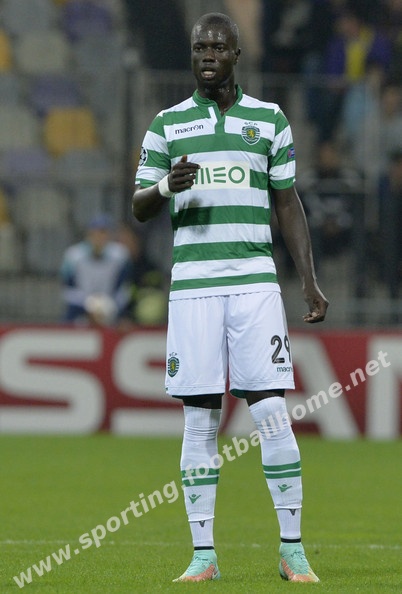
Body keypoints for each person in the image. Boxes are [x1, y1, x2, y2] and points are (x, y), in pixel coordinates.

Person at [132, 12, 328, 583]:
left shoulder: (268, 120)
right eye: (200, 47)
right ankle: (203, 556)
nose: (208, 55)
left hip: (254, 282)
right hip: (194, 287)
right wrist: (166, 185)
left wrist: (308, 278)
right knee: (200, 420)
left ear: (237, 54)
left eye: (218, 47)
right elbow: (139, 205)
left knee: (270, 411)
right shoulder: (167, 124)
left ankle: (292, 550)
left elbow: (287, 202)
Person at [60, 213, 132, 327]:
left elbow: (123, 288)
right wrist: (89, 305)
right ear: (88, 235)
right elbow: (68, 290)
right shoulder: (73, 256)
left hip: (111, 310)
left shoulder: (120, 255)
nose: (99, 237)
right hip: (80, 308)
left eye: (103, 232)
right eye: (95, 233)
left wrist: (108, 306)